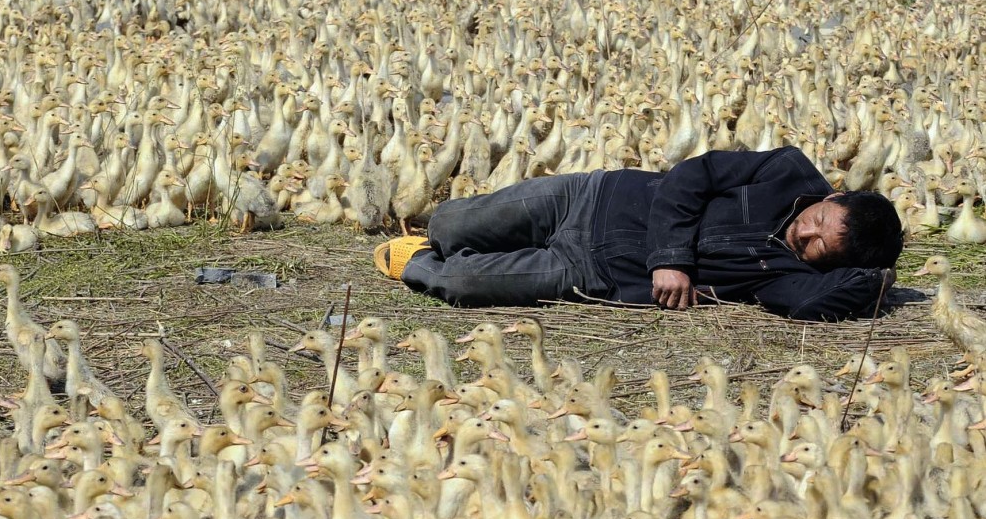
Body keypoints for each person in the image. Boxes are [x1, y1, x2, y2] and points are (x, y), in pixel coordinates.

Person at [374, 147, 904, 321]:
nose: (804, 235)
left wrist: (880, 274)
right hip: (593, 200)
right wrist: (672, 257)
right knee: (449, 222)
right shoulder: (785, 171)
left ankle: (417, 262)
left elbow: (828, 302)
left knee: (463, 284)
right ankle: (435, 240)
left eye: (818, 248)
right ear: (833, 195)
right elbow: (691, 177)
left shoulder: (792, 278)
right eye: (816, 221)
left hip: (594, 272)